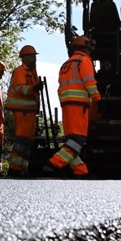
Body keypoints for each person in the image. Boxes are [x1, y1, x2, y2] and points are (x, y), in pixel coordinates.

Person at [45, 36, 101, 178]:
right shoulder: (84, 61)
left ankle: (80, 171)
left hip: (67, 105)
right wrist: (98, 99)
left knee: (71, 140)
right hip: (79, 105)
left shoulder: (66, 64)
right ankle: (54, 163)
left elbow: (60, 87)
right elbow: (89, 82)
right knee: (77, 140)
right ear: (86, 48)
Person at [5, 45, 44, 177]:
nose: (34, 59)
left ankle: (21, 168)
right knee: (22, 140)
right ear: (24, 58)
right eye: (32, 56)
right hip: (22, 111)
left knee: (27, 141)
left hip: (30, 112)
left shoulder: (32, 73)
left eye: (35, 56)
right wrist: (34, 88)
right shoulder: (20, 71)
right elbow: (19, 88)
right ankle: (14, 168)